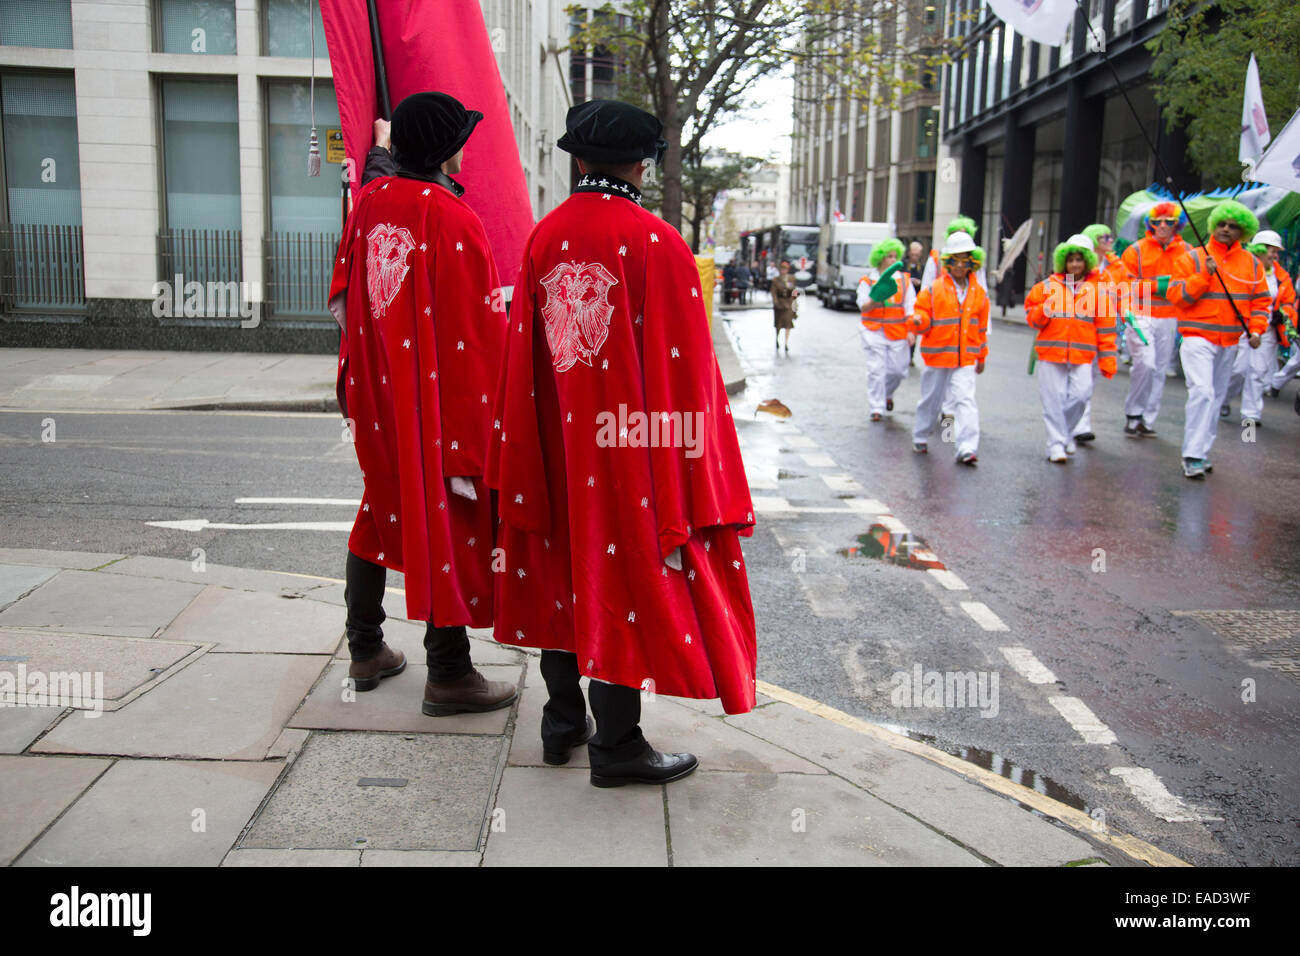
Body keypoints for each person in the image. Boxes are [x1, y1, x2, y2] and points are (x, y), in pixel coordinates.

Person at [487, 100, 758, 788]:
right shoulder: (658, 243)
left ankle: (560, 723)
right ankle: (617, 747)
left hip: (553, 447)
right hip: (629, 455)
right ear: (642, 165)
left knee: (556, 569)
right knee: (620, 584)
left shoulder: (543, 238)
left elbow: (524, 361)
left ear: (579, 161)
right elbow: (686, 375)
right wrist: (698, 475)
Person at [326, 91, 516, 715]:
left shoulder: (373, 202)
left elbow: (350, 287)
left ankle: (366, 648)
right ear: (444, 149)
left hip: (378, 391)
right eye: (460, 135)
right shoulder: (453, 218)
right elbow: (477, 337)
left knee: (380, 510)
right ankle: (449, 673)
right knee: (445, 526)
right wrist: (482, 427)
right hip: (434, 402)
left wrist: (381, 153)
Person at [1161, 199, 1269, 478]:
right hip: (1197, 337)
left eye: (1233, 226)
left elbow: (1261, 303)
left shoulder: (1253, 265)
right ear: (1213, 225)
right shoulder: (1193, 258)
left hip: (1230, 342)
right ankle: (1192, 454)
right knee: (1203, 392)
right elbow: (1176, 298)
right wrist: (1202, 276)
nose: (1226, 229)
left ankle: (1202, 452)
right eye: (1221, 223)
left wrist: (1256, 330)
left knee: (1217, 397)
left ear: (1242, 232)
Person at [1025, 234, 1118, 462]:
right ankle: (1056, 444)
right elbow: (1033, 320)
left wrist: (1108, 359)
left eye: (1079, 259)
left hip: (1082, 355)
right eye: (1071, 260)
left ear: (1087, 262)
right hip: (1051, 353)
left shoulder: (1098, 292)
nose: (1075, 264)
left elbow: (1106, 328)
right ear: (1063, 262)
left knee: (1081, 394)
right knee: (1053, 399)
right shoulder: (1046, 287)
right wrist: (1045, 309)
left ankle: (1063, 435)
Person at [908, 231, 989, 465]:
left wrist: (981, 356)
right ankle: (921, 436)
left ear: (972, 262)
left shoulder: (979, 294)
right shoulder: (934, 289)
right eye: (956, 259)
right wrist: (918, 322)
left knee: (964, 400)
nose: (961, 265)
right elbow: (922, 312)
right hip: (938, 356)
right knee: (932, 400)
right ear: (948, 263)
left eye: (965, 259)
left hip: (965, 358)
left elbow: (980, 329)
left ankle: (966, 447)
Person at [1119, 202, 1189, 438]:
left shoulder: (1187, 251)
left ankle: (1147, 419)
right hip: (1141, 314)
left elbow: (1189, 285)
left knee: (1159, 369)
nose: (1162, 225)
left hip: (1169, 317)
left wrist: (1170, 288)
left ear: (1177, 225)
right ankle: (1133, 412)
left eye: (1168, 222)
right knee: (1145, 363)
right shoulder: (1136, 250)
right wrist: (1159, 286)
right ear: (1150, 223)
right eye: (1157, 221)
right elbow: (1125, 285)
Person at [1226, 230, 1296, 424]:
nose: (1274, 255)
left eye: (1276, 251)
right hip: (1243, 328)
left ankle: (1251, 416)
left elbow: (1288, 301)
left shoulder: (1281, 276)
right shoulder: (1243, 270)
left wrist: (1283, 314)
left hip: (1267, 331)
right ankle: (1224, 399)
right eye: (1270, 250)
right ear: (1258, 249)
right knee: (1239, 369)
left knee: (1257, 372)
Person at [1070, 222, 1129, 444]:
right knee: (1074, 382)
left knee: (1088, 381)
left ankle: (1078, 425)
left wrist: (1127, 312)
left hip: (1105, 327)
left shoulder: (1116, 266)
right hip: (1081, 330)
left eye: (1109, 235)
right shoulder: (1080, 266)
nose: (1109, 239)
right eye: (1104, 236)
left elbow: (1124, 293)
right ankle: (1070, 427)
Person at [857, 237, 915, 421]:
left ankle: (886, 394)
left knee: (898, 371)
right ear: (880, 258)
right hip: (873, 331)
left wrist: (912, 330)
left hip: (898, 332)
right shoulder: (868, 280)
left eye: (895, 256)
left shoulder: (904, 280)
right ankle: (876, 408)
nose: (892, 260)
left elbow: (911, 307)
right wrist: (875, 299)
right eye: (889, 256)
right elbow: (862, 306)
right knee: (876, 370)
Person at [772, 259, 799, 353]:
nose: (783, 271)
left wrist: (795, 300)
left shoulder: (791, 279)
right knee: (778, 325)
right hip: (780, 305)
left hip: (789, 304)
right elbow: (774, 293)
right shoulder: (776, 280)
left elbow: (794, 291)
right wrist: (776, 303)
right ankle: (777, 338)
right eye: (782, 269)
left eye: (785, 269)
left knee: (788, 324)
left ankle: (786, 343)